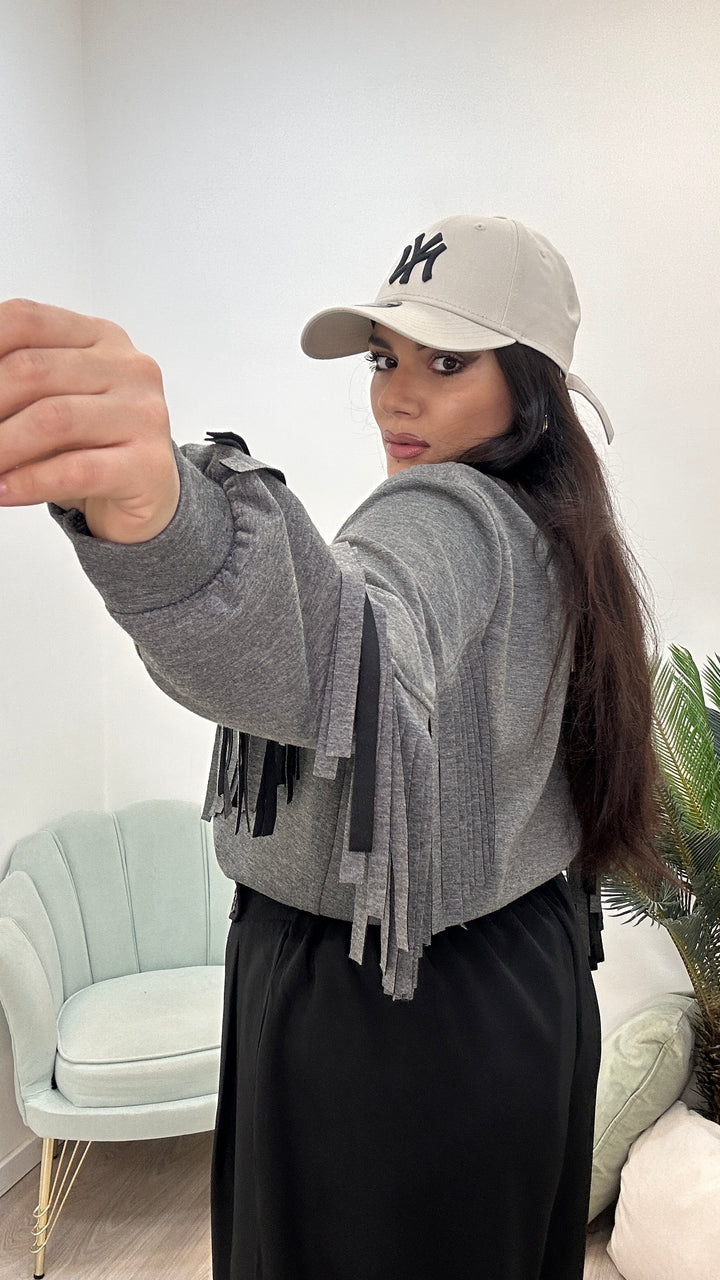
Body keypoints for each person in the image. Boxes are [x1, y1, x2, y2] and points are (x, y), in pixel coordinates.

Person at [0, 215, 671, 1280]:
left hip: (384, 1008)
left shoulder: (444, 513)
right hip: (527, 981)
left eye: (446, 363)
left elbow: (346, 650)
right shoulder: (554, 525)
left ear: (533, 387)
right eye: (383, 359)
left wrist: (166, 519)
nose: (396, 397)